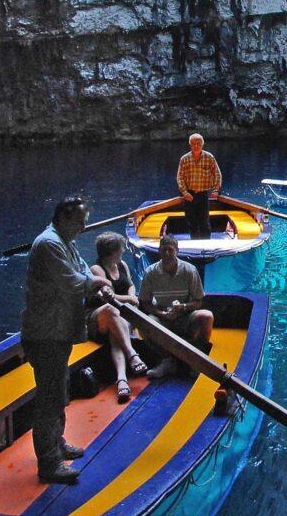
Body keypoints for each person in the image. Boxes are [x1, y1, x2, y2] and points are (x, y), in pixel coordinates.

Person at [21, 196, 96, 484]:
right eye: (79, 222)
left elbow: (84, 269)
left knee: (59, 389)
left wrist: (91, 279)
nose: (83, 228)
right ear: (63, 218)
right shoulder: (49, 244)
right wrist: (96, 283)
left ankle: (58, 442)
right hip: (46, 332)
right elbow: (73, 282)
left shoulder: (66, 241)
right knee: (50, 397)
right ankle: (49, 463)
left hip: (60, 329)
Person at [140, 233, 213, 381]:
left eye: (170, 250)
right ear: (159, 251)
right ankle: (167, 360)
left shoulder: (189, 270)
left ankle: (197, 359)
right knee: (143, 323)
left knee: (206, 316)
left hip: (185, 315)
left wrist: (183, 307)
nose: (167, 254)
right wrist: (161, 313)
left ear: (177, 251)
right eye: (164, 250)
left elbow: (198, 301)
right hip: (163, 317)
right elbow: (145, 303)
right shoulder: (151, 272)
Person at [87, 232, 148, 404]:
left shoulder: (121, 264)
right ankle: (132, 354)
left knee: (117, 330)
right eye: (120, 248)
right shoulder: (97, 269)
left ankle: (122, 379)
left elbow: (130, 285)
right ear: (112, 251)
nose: (123, 251)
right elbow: (107, 297)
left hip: (119, 315)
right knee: (110, 310)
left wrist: (132, 295)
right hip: (98, 316)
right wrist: (129, 299)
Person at [176, 132, 222, 239]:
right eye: (193, 144)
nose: (196, 146)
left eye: (199, 143)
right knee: (192, 223)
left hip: (202, 195)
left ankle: (206, 246)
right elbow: (180, 177)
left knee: (204, 223)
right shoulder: (184, 159)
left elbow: (217, 174)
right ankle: (194, 246)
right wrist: (184, 192)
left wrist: (216, 190)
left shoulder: (209, 157)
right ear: (190, 145)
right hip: (189, 195)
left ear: (202, 144)